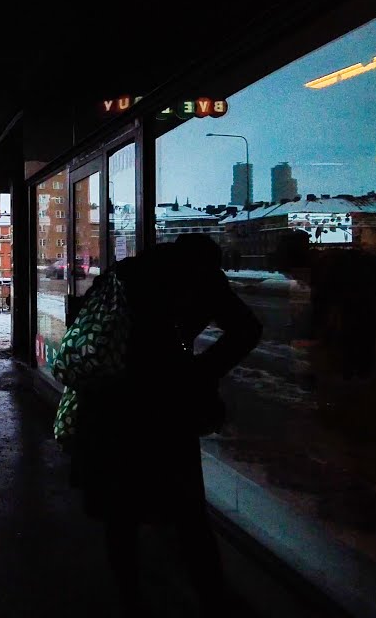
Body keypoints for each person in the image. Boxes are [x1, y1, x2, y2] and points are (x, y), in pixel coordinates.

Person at [69, 234, 260, 617]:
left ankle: (130, 600)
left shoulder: (125, 273)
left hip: (112, 406)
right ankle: (211, 598)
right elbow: (246, 329)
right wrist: (201, 371)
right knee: (189, 513)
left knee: (120, 514)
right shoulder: (199, 278)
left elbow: (83, 320)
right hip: (166, 410)